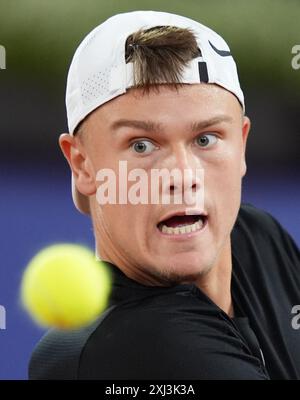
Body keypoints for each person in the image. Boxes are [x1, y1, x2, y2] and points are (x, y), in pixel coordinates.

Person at [29, 10, 300, 380]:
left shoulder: (257, 238)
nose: (184, 176)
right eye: (142, 146)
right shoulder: (127, 346)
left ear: (242, 145)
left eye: (206, 139)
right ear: (82, 165)